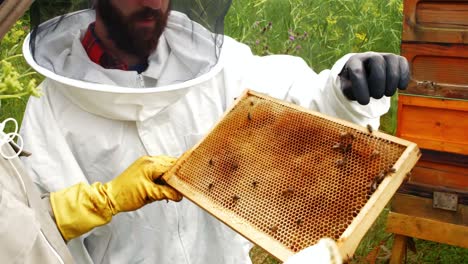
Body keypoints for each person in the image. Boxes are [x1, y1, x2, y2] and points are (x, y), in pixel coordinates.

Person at [19, 0, 409, 263]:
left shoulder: (214, 64)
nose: (155, 3)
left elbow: (301, 101)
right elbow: (39, 239)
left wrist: (345, 88)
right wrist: (100, 203)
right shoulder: (49, 110)